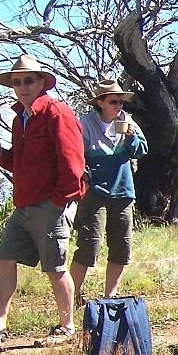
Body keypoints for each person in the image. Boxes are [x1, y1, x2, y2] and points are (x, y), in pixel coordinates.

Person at [0, 55, 86, 352]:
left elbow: (74, 165)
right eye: (17, 82)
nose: (22, 86)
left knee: (54, 266)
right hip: (24, 205)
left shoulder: (57, 113)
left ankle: (67, 326)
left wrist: (59, 201)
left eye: (29, 80)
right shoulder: (19, 117)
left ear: (42, 82)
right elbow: (18, 163)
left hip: (51, 205)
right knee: (4, 258)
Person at [69, 80, 148, 301]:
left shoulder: (127, 121)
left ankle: (111, 295)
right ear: (100, 103)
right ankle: (72, 294)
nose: (119, 106)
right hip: (95, 193)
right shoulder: (84, 124)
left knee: (122, 246)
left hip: (122, 192)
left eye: (121, 102)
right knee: (89, 245)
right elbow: (73, 155)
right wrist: (83, 175)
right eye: (114, 101)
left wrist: (132, 136)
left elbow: (142, 151)